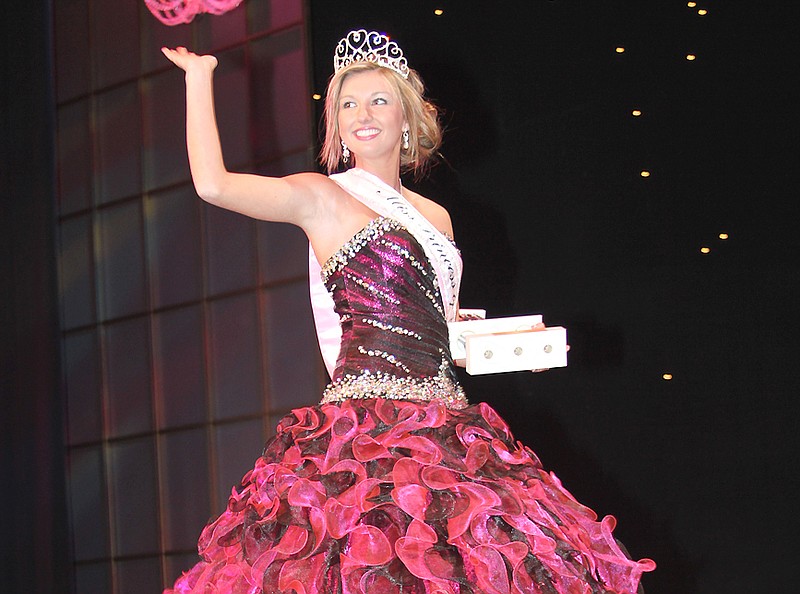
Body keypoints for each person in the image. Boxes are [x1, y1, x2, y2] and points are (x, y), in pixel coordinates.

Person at [161, 29, 655, 594]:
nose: (361, 115)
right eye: (347, 104)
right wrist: (199, 80)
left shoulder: (436, 217)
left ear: (408, 119)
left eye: (378, 100)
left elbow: (435, 328)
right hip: (362, 434)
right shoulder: (322, 196)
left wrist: (508, 348)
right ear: (337, 125)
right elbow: (214, 186)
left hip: (449, 430)